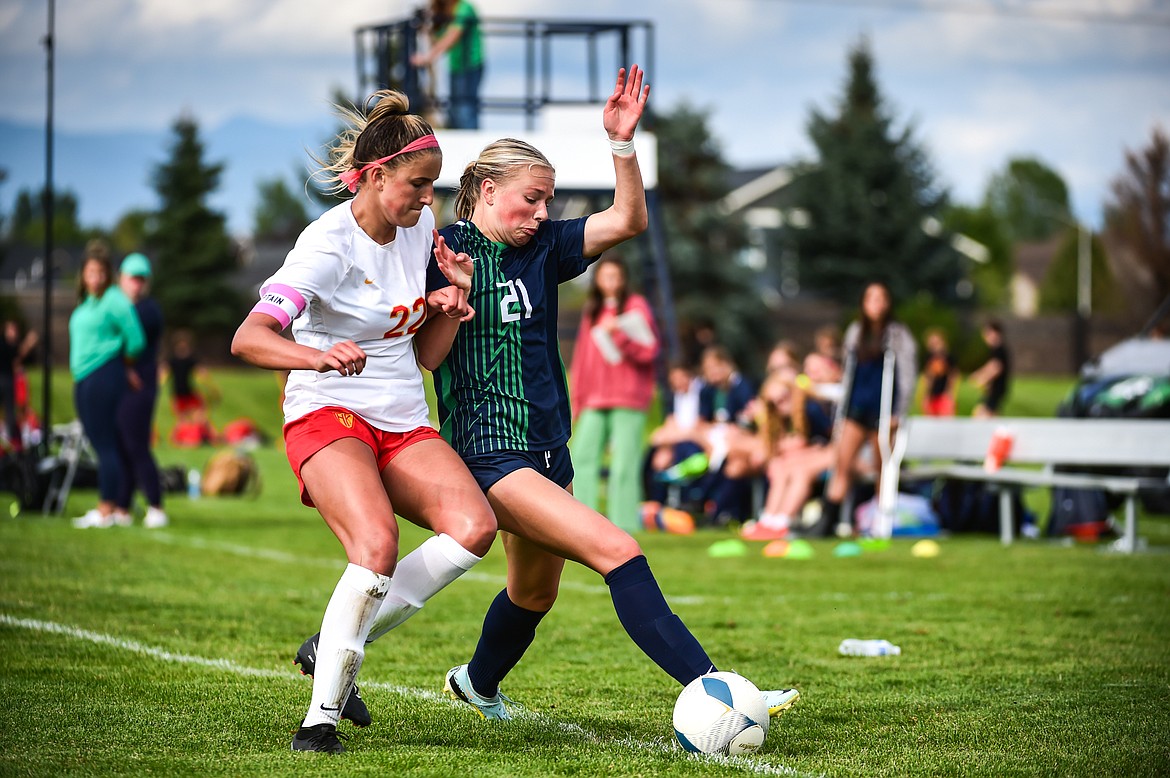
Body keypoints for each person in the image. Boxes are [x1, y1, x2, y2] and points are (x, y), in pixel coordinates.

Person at [389, 65, 797, 722]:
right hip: (489, 453)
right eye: (533, 199)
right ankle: (720, 691)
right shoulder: (446, 249)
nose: (544, 212)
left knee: (533, 594)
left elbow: (628, 218)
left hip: (549, 451)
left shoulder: (546, 246)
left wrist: (622, 144)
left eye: (549, 200)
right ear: (488, 191)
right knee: (619, 551)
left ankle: (476, 683)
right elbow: (421, 353)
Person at [230, 89, 498, 754]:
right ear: (376, 177)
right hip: (327, 412)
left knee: (473, 529)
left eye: (433, 185)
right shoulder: (327, 244)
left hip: (401, 415)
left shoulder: (418, 233)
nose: (427, 199)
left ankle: (333, 643)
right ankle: (319, 721)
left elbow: (427, 355)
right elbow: (249, 338)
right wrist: (314, 356)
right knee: (374, 548)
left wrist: (450, 300)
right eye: (418, 185)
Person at [817, 281, 916, 537]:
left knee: (883, 468)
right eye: (871, 298)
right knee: (842, 462)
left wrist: (899, 411)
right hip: (857, 407)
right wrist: (842, 408)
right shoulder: (856, 331)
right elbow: (849, 372)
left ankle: (880, 523)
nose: (876, 303)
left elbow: (907, 375)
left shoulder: (897, 334)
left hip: (883, 410)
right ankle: (827, 520)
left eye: (881, 298)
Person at [568, 255, 659, 533]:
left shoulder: (635, 306)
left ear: (623, 279)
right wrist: (577, 399)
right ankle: (582, 523)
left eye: (615, 276)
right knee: (581, 457)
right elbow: (582, 359)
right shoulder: (592, 311)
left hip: (628, 398)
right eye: (605, 276)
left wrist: (618, 333)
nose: (610, 282)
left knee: (623, 464)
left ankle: (624, 525)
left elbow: (649, 351)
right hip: (595, 398)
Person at [70, 240, 146, 529]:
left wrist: (124, 366)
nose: (96, 277)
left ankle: (107, 509)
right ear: (83, 274)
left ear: (108, 274)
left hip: (104, 373)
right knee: (103, 441)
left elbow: (136, 339)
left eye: (101, 271)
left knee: (105, 444)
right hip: (84, 377)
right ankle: (115, 507)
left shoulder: (114, 299)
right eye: (91, 271)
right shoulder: (86, 302)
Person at [740, 372, 835, 541]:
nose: (780, 404)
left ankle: (783, 522)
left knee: (798, 470)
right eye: (773, 403)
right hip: (809, 456)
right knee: (779, 467)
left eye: (783, 398)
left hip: (832, 453)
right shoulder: (781, 417)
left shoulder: (810, 408)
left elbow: (825, 440)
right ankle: (769, 519)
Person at [113, 253, 168, 528]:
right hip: (122, 385)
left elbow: (121, 344)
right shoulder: (123, 308)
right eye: (132, 278)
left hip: (141, 385)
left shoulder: (147, 310)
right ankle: (122, 507)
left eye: (141, 279)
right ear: (121, 279)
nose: (136, 284)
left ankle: (156, 505)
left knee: (137, 445)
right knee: (123, 445)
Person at [411, 0, 484, 129]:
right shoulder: (450, 12)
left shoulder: (464, 8)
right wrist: (427, 26)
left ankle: (469, 142)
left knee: (464, 110)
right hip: (456, 66)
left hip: (470, 65)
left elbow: (452, 36)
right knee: (456, 110)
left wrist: (428, 57)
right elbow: (439, 40)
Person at [162, 330, 219, 445]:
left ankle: (214, 438)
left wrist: (207, 382)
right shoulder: (172, 360)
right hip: (178, 394)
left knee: (200, 417)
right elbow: (164, 372)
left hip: (190, 393)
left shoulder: (191, 359)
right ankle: (176, 439)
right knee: (181, 420)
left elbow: (201, 371)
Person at [0, 318, 37, 452]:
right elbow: (17, 359)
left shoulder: (11, 346)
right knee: (11, 414)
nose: (13, 333)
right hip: (6, 380)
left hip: (11, 380)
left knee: (12, 413)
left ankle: (13, 444)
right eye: (11, 330)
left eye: (15, 330)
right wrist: (28, 343)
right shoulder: (6, 345)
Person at [971, 320, 1011, 418]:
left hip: (996, 390)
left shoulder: (999, 349)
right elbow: (990, 365)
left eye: (987, 333)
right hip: (993, 390)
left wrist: (982, 379)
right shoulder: (995, 350)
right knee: (991, 415)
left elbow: (996, 367)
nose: (985, 337)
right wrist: (978, 373)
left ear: (995, 333)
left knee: (982, 415)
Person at [919, 328, 959, 417]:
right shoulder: (929, 358)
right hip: (932, 395)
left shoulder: (948, 357)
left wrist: (950, 393)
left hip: (944, 394)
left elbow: (953, 376)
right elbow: (928, 378)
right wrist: (926, 395)